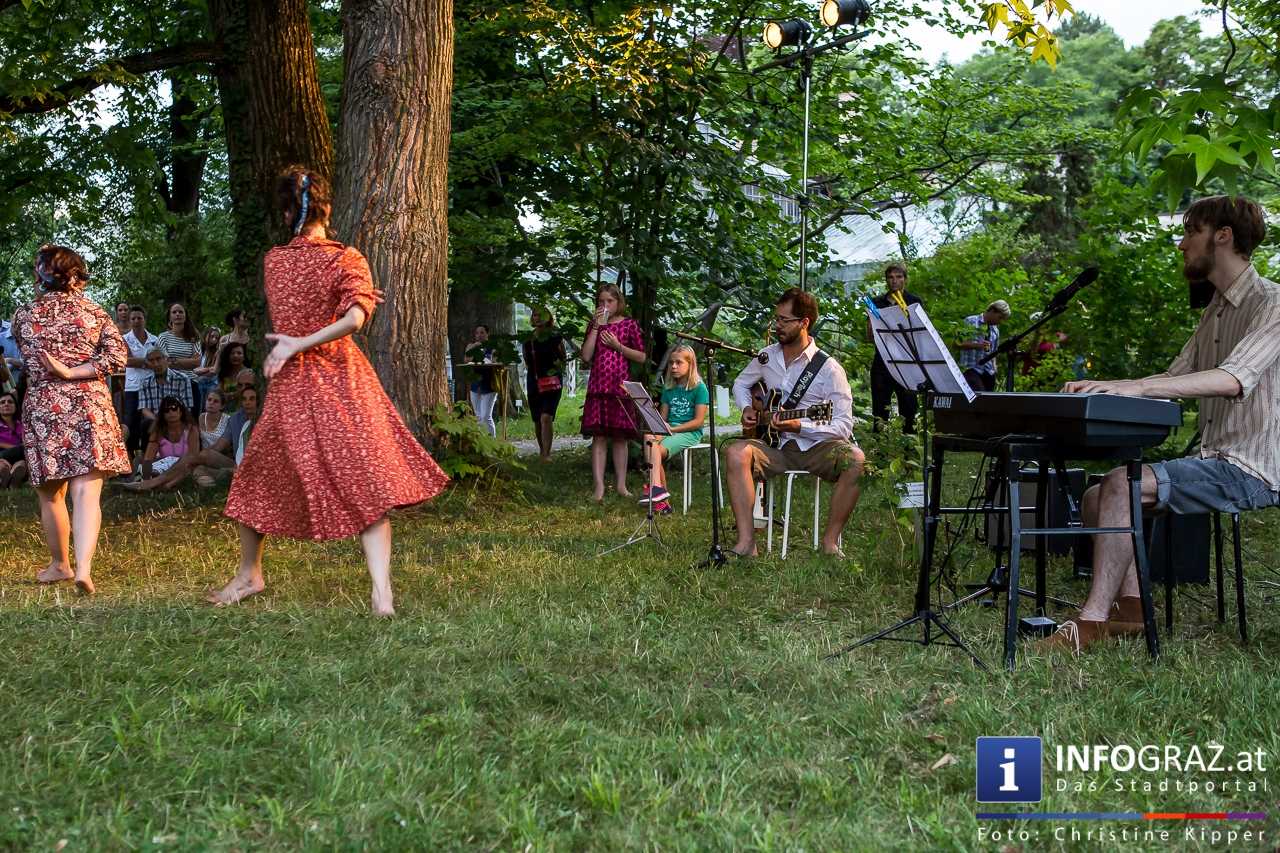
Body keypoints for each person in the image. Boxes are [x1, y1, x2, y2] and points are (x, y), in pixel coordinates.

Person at [1041, 196, 1280, 653]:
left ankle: (1090, 623)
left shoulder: (1272, 302)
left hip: (1253, 467)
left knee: (1119, 484)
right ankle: (1132, 609)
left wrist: (1137, 388)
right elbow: (1174, 376)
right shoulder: (1216, 309)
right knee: (1095, 498)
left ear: (1223, 236)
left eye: (1191, 232)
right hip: (1214, 457)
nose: (1182, 244)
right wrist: (1109, 386)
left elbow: (1232, 379)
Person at [212, 166, 449, 615]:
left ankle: (250, 574)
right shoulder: (347, 259)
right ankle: (380, 594)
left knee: (257, 475)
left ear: (287, 213)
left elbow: (329, 313)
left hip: (299, 381)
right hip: (342, 379)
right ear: (327, 208)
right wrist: (342, 308)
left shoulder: (275, 261)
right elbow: (354, 318)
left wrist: (297, 342)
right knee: (364, 479)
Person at [13, 245, 130, 594]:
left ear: (41, 276)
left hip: (45, 406)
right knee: (86, 493)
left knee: (51, 493)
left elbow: (28, 353)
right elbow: (118, 357)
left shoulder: (24, 316)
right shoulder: (94, 313)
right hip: (89, 404)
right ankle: (84, 569)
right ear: (78, 277)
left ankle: (60, 564)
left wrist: (60, 370)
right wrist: (75, 371)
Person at [726, 287, 864, 557]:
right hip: (775, 446)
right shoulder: (767, 357)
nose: (777, 325)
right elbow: (740, 383)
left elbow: (843, 426)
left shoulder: (829, 369)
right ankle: (747, 543)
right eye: (776, 318)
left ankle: (830, 543)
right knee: (735, 453)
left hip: (817, 447)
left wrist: (800, 426)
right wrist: (747, 408)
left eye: (784, 320)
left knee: (856, 460)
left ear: (804, 323)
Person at [580, 283, 646, 501]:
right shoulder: (595, 325)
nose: (605, 305)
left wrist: (619, 346)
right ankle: (599, 487)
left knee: (620, 438)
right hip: (598, 387)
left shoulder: (629, 325)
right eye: (601, 301)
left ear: (619, 302)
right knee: (599, 437)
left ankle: (621, 485)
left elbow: (641, 357)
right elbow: (586, 356)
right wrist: (596, 328)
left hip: (620, 388)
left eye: (610, 301)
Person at [639, 344, 708, 515]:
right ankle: (657, 490)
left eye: (679, 362)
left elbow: (698, 422)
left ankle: (660, 498)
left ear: (690, 364)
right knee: (649, 437)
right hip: (669, 430)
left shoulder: (699, 388)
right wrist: (650, 411)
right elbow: (663, 419)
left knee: (655, 449)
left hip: (689, 432)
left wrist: (674, 428)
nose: (674, 366)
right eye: (671, 363)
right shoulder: (668, 388)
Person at [868, 263, 925, 433]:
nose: (894, 281)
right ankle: (879, 446)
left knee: (909, 409)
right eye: (890, 277)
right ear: (886, 280)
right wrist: (872, 324)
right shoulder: (876, 302)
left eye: (899, 277)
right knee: (879, 410)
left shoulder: (914, 301)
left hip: (907, 362)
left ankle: (908, 445)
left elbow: (921, 333)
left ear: (905, 279)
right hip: (882, 361)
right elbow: (870, 336)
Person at [123, 396, 199, 491]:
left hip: (185, 467)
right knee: (143, 464)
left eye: (174, 408)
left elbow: (194, 457)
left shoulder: (191, 429)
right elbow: (148, 458)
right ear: (162, 414)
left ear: (181, 411)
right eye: (166, 410)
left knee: (187, 462)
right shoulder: (158, 431)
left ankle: (163, 484)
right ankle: (147, 481)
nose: (170, 412)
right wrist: (146, 478)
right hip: (163, 466)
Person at [522, 306, 566, 462]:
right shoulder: (528, 339)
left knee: (546, 416)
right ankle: (542, 451)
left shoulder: (555, 336)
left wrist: (554, 371)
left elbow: (563, 358)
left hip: (552, 381)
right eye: (535, 315)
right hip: (534, 381)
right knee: (537, 419)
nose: (538, 317)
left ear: (548, 317)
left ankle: (547, 454)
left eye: (541, 315)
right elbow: (527, 360)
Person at [137, 348, 194, 458]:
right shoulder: (145, 382)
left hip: (176, 417)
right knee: (146, 424)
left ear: (166, 359)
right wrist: (159, 420)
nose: (156, 364)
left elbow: (187, 407)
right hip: (155, 420)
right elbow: (144, 409)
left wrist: (171, 418)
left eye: (158, 359)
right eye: (151, 361)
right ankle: (148, 460)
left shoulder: (182, 379)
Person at [121, 305, 159, 462]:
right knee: (131, 421)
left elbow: (159, 359)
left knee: (149, 421)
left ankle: (146, 455)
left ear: (145, 320)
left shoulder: (154, 339)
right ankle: (129, 456)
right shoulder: (124, 339)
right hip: (133, 387)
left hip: (151, 386)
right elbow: (126, 360)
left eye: (139, 318)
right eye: (133, 318)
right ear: (130, 321)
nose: (136, 321)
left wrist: (141, 362)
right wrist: (147, 362)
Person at [955, 299, 1011, 393]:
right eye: (1000, 317)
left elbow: (994, 352)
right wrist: (978, 345)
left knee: (988, 400)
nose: (1000, 321)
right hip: (971, 369)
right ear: (993, 310)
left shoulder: (995, 330)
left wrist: (994, 367)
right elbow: (957, 344)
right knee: (980, 398)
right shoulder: (970, 321)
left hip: (989, 373)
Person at [155, 302, 202, 411]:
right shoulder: (163, 337)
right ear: (170, 316)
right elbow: (165, 363)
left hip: (191, 382)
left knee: (192, 418)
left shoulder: (194, 337)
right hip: (171, 383)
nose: (177, 314)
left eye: (181, 312)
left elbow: (197, 362)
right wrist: (188, 362)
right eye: (174, 312)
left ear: (185, 316)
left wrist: (174, 360)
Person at [193, 387, 231, 487]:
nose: (211, 403)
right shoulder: (201, 417)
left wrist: (198, 456)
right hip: (203, 458)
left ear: (222, 406)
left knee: (198, 461)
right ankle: (212, 483)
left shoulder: (228, 420)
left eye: (215, 401)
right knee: (197, 471)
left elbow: (222, 447)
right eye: (209, 400)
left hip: (220, 457)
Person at [464, 324, 497, 437]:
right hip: (475, 384)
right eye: (477, 333)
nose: (479, 335)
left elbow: (495, 361)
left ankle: (492, 441)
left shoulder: (492, 347)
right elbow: (466, 360)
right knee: (478, 416)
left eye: (482, 332)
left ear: (487, 334)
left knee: (485, 416)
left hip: (489, 384)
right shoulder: (471, 346)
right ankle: (480, 440)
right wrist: (475, 348)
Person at [214, 341, 253, 411]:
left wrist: (231, 395)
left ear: (244, 357)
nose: (235, 356)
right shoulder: (224, 372)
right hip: (225, 409)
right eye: (232, 353)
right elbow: (219, 390)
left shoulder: (248, 373)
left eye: (239, 353)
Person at [0, 391, 28, 487]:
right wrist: (13, 447)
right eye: (2, 402)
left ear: (15, 406)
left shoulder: (22, 424)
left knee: (21, 464)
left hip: (19, 455)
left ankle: (11, 477)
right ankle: (5, 473)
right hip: (3, 454)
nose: (6, 404)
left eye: (10, 402)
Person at [192, 324, 222, 410]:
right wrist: (208, 369)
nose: (214, 340)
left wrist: (199, 371)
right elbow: (193, 369)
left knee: (209, 408)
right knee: (198, 408)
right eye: (212, 336)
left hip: (212, 383)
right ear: (206, 335)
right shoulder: (198, 349)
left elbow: (214, 371)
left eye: (216, 338)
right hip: (198, 382)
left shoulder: (218, 352)